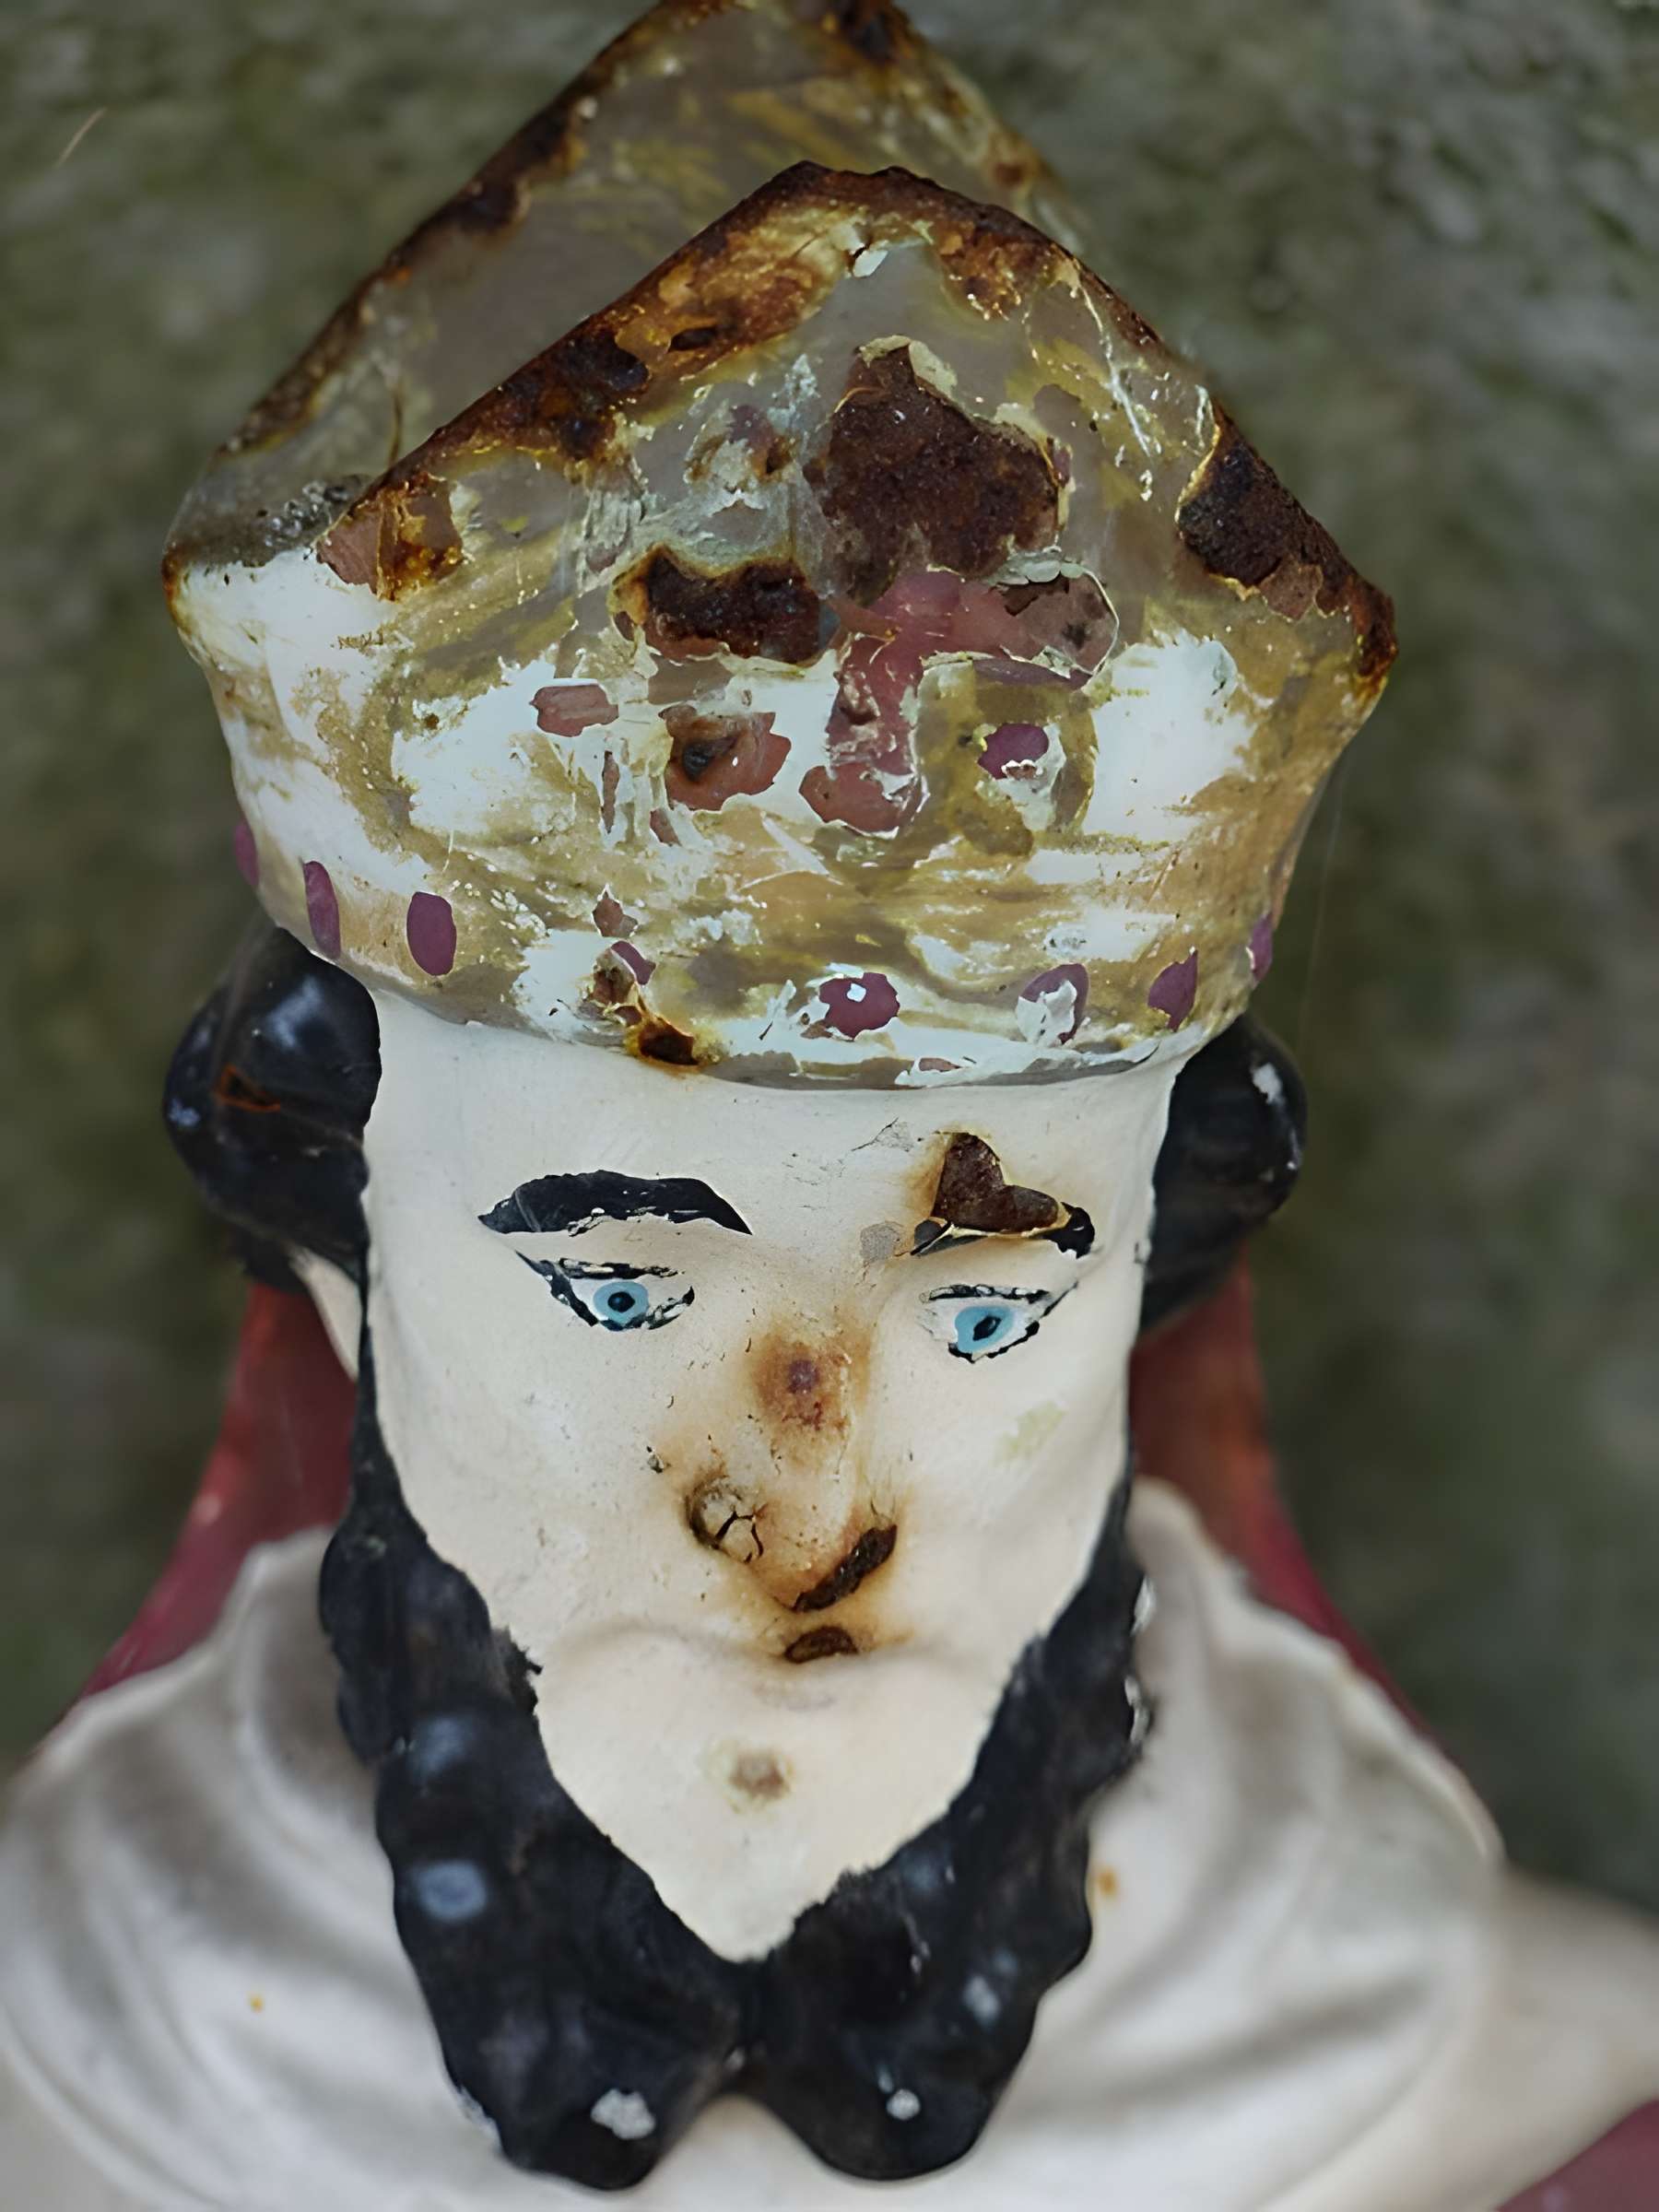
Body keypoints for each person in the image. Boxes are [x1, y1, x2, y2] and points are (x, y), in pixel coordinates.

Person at [3, 3, 1656, 2205]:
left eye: (982, 1316)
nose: (807, 1524)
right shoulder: (89, 2060)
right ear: (335, 1267)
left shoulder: (1487, 2062)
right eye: (616, 1289)